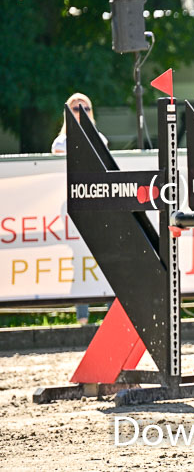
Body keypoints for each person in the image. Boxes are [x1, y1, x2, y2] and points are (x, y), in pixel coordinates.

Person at [52, 92, 108, 325]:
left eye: (85, 109)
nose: (81, 113)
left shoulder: (100, 138)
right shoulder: (60, 142)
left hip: (96, 208)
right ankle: (82, 318)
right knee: (79, 265)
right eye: (76, 109)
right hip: (72, 208)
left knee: (105, 260)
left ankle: (110, 313)